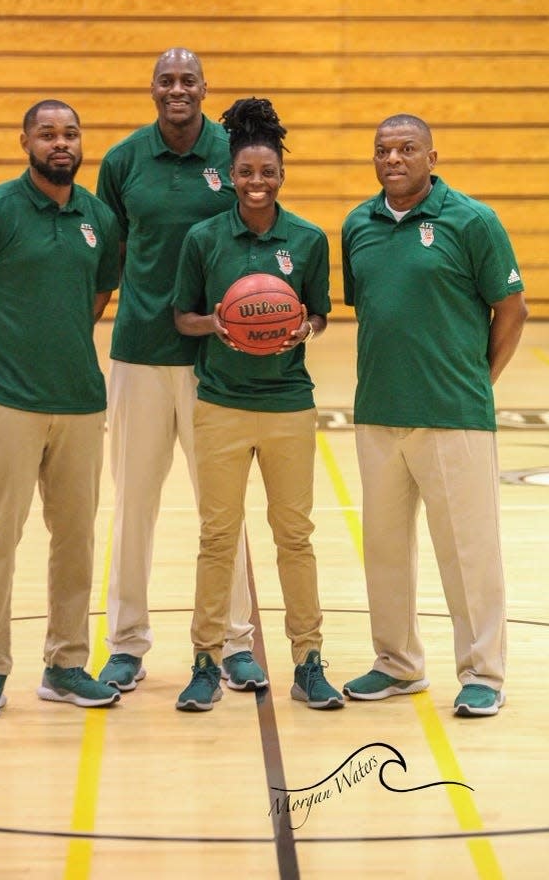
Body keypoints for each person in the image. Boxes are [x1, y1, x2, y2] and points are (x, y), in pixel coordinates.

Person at [0, 100, 122, 718]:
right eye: (48, 134)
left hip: (78, 400)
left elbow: (97, 293)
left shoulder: (98, 217)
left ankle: (67, 664)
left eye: (70, 133)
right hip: (6, 401)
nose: (60, 143)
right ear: (25, 142)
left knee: (74, 539)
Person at [341, 113, 528, 717]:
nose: (393, 159)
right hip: (378, 412)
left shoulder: (472, 220)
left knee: (468, 550)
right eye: (383, 150)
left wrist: (478, 381)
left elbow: (512, 308)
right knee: (386, 549)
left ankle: (484, 673)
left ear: (431, 155)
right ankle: (396, 663)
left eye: (406, 149)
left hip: (454, 415)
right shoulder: (357, 226)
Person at [95, 48, 261, 694]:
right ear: (151, 89)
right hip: (139, 353)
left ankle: (236, 642)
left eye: (187, 79)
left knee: (222, 510)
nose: (177, 89)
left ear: (204, 87)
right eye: (166, 80)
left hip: (215, 360)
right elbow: (107, 256)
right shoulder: (124, 161)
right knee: (132, 504)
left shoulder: (233, 152)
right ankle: (126, 644)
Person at [173, 97, 344, 712]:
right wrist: (213, 322)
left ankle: (309, 659)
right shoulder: (203, 238)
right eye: (245, 172)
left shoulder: (307, 239)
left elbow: (320, 311)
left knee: (294, 536)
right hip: (219, 403)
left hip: (288, 404)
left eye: (266, 173)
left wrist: (308, 328)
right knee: (217, 537)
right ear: (232, 175)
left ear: (281, 176)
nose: (255, 183)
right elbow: (182, 316)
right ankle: (205, 661)